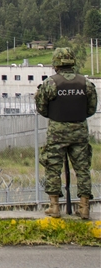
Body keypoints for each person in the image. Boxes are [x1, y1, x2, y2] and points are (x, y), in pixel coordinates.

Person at [35, 47, 97, 220]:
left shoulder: (50, 83)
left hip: (57, 133)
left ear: (56, 63)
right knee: (82, 169)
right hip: (79, 132)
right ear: (73, 62)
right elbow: (91, 109)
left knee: (53, 168)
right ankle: (84, 207)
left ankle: (54, 207)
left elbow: (42, 108)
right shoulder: (85, 83)